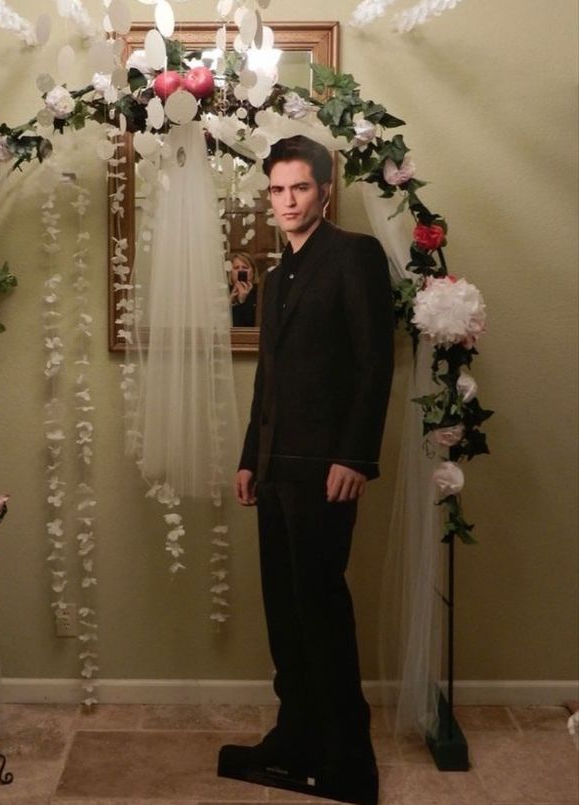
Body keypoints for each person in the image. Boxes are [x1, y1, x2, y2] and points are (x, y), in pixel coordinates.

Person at [217, 135, 394, 805]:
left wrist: (355, 455)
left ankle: (349, 760)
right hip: (274, 470)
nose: (287, 201)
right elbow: (270, 379)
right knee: (285, 616)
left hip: (327, 470)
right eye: (277, 190)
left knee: (320, 610)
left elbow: (376, 362)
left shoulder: (354, 256)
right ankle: (295, 737)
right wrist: (247, 459)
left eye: (300, 188)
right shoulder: (275, 275)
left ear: (324, 190)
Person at [228, 251, 259, 327]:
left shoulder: (260, 293)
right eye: (236, 268)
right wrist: (230, 303)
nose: (241, 271)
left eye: (245, 268)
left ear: (253, 272)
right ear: (231, 273)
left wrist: (242, 301)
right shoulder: (224, 292)